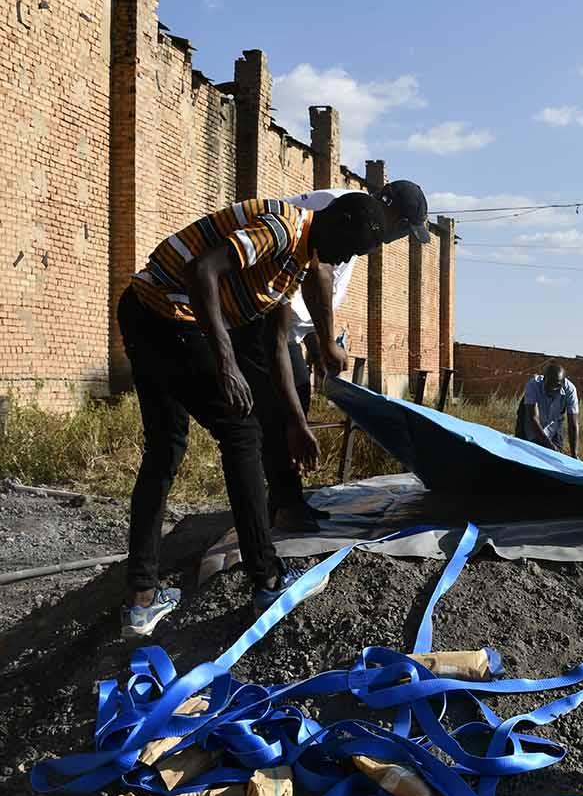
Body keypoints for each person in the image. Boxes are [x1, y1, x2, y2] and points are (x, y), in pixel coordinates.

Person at [118, 194, 387, 637]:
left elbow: (275, 342)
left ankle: (141, 601)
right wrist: (225, 362)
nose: (346, 260)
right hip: (170, 313)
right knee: (241, 432)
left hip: (143, 308)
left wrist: (296, 422)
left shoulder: (299, 260)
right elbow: (201, 269)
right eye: (350, 247)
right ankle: (266, 580)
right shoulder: (282, 231)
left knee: (166, 448)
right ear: (336, 222)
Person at [270, 180, 431, 532]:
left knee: (292, 399)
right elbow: (317, 272)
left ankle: (285, 504)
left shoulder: (358, 220)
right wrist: (328, 344)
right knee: (280, 412)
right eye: (405, 230)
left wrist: (316, 344)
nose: (401, 238)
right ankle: (280, 510)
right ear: (395, 218)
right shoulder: (347, 215)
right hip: (263, 315)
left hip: (280, 321)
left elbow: (313, 293)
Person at [517, 362, 580, 458]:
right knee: (523, 452)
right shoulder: (533, 385)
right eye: (549, 386)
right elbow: (533, 418)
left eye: (557, 386)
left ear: (563, 383)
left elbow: (573, 424)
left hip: (554, 422)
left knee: (556, 456)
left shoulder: (570, 391)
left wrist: (574, 455)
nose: (552, 390)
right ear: (544, 379)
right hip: (530, 421)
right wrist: (549, 445)